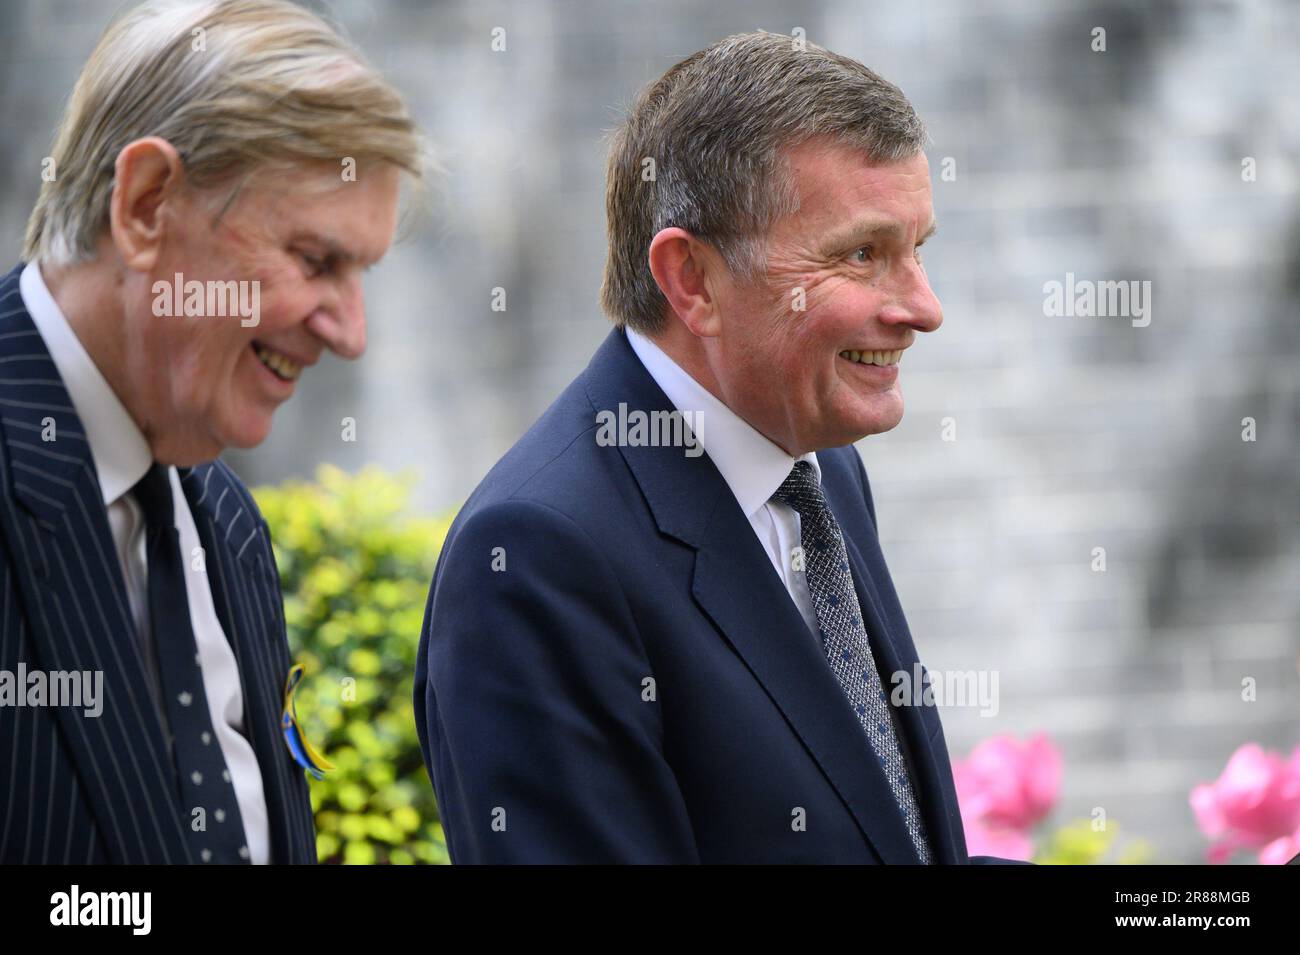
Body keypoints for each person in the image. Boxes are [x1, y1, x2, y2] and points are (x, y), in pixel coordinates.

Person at [415, 30, 1013, 863]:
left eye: (918, 250)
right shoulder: (536, 554)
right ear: (692, 280)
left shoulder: (820, 466)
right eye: (863, 254)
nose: (924, 305)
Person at [0, 0, 423, 864]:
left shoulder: (224, 521)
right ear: (148, 205)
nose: (352, 333)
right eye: (316, 260)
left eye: (362, 271)